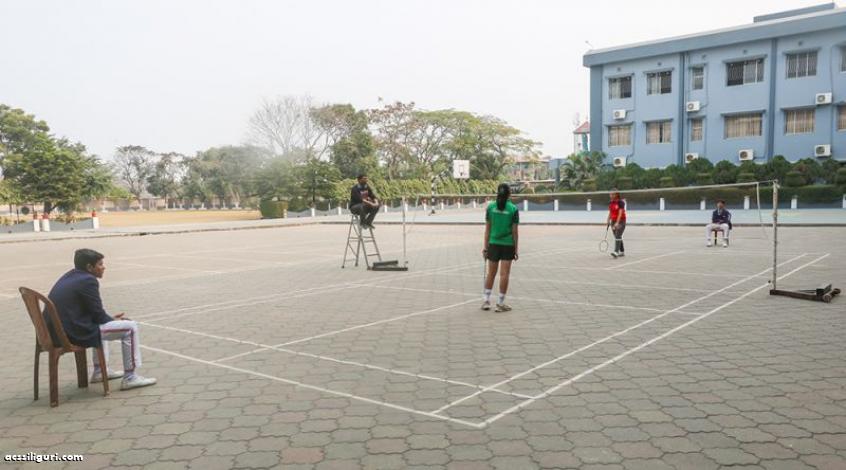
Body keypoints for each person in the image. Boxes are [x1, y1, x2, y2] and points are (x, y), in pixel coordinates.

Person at [45, 249, 156, 390]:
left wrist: (110, 319)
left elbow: (95, 314)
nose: (104, 267)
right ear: (89, 267)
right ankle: (130, 377)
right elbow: (98, 315)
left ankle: (99, 371)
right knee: (130, 327)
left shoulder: (71, 275)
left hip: (57, 331)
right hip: (71, 333)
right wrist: (114, 321)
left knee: (102, 324)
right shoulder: (88, 280)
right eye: (100, 264)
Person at [482, 183, 519, 312]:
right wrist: (516, 249)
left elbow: (487, 230)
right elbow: (515, 232)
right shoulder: (513, 209)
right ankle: (500, 303)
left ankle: (486, 301)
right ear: (509, 194)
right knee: (504, 274)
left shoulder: (490, 207)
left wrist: (485, 248)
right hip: (508, 245)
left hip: (493, 244)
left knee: (491, 273)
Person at [607, 189, 627, 258]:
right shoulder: (610, 202)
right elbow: (610, 212)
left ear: (617, 195)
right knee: (617, 236)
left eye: (612, 194)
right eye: (610, 194)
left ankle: (616, 252)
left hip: (621, 221)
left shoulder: (621, 202)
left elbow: (620, 213)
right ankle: (622, 251)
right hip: (613, 221)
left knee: (618, 235)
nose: (611, 196)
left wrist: (617, 222)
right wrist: (608, 219)